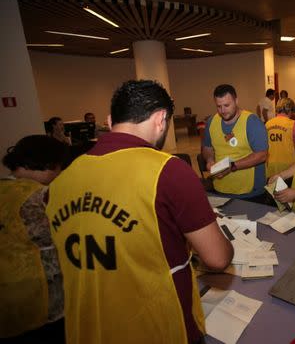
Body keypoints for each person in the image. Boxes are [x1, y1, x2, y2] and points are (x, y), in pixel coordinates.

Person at [46, 80, 233, 344]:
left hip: (87, 327)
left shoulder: (61, 181)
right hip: (155, 327)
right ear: (161, 119)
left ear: (111, 121)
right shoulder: (169, 171)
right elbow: (217, 258)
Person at [0, 135, 66, 341]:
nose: (60, 174)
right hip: (41, 298)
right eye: (59, 167)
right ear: (49, 164)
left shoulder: (4, 189)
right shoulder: (41, 196)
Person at [202, 84, 268, 203]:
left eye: (227, 105)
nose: (223, 110)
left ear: (236, 101)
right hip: (220, 189)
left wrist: (232, 167)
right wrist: (210, 161)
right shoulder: (211, 122)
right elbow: (207, 148)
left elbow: (262, 155)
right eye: (219, 106)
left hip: (250, 193)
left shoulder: (252, 122)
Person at [265, 98, 295, 180]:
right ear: (290, 110)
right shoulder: (293, 124)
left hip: (270, 164)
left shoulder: (267, 124)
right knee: (286, 192)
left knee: (272, 190)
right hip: (288, 166)